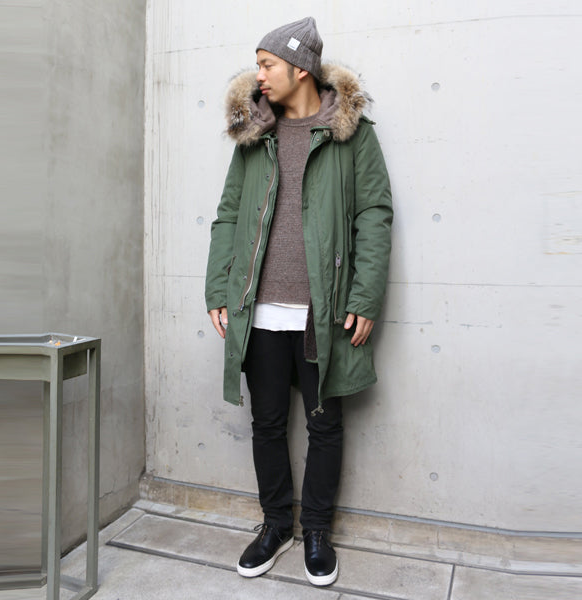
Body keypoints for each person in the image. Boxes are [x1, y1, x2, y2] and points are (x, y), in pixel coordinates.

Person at [205, 16, 392, 587]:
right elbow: (228, 214)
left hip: (322, 310)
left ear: (300, 68)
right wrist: (218, 288)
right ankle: (275, 526)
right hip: (258, 309)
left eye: (267, 64)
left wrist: (365, 296)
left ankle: (315, 531)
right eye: (258, 65)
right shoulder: (255, 134)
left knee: (323, 425)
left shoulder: (351, 134)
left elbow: (374, 215)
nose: (258, 75)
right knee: (265, 423)